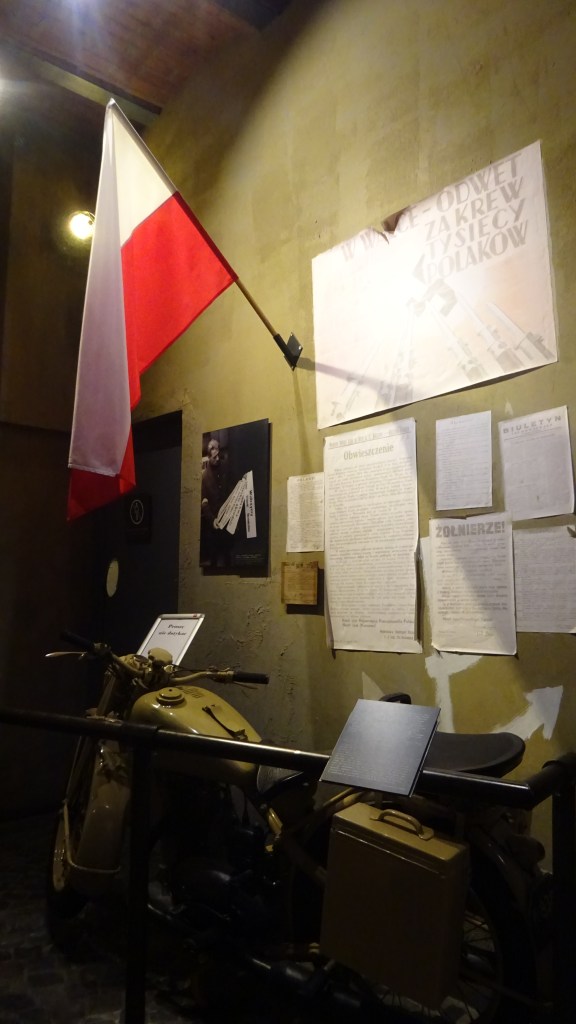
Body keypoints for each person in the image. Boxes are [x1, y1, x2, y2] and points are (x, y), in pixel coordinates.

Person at [200, 438, 232, 566]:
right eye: (214, 457)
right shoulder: (204, 477)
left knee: (228, 558)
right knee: (213, 562)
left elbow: (231, 488)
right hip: (213, 525)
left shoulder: (226, 467)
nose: (218, 459)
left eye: (218, 455)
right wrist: (212, 520)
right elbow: (204, 503)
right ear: (208, 457)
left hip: (228, 521)